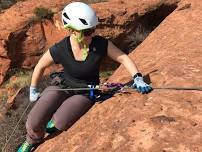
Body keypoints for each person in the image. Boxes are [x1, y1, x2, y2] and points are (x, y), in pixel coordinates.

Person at [17, 2, 152, 152]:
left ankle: (52, 123)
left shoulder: (101, 44)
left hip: (86, 91)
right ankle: (31, 140)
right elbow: (40, 65)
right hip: (62, 85)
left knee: (61, 122)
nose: (92, 34)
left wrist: (137, 77)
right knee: (33, 122)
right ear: (72, 30)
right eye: (87, 31)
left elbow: (123, 58)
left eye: (93, 29)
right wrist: (33, 89)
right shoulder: (61, 47)